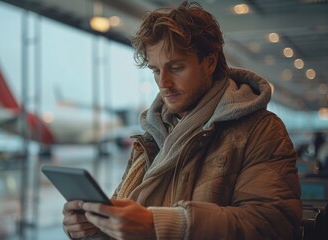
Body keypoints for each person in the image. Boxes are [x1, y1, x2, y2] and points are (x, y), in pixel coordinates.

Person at [62, 2, 302, 239]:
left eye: (176, 67)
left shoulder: (261, 130)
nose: (163, 83)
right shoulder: (152, 135)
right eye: (156, 71)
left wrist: (164, 225)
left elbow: (273, 224)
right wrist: (94, 226)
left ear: (210, 62)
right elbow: (126, 218)